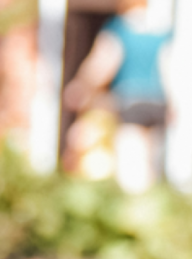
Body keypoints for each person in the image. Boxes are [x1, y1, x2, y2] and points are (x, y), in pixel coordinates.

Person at [63, 0, 173, 193]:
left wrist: (82, 86)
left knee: (131, 161)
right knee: (152, 162)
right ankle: (151, 202)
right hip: (157, 102)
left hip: (130, 100)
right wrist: (172, 103)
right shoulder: (161, 32)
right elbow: (169, 68)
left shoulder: (119, 29)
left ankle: (134, 209)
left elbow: (102, 64)